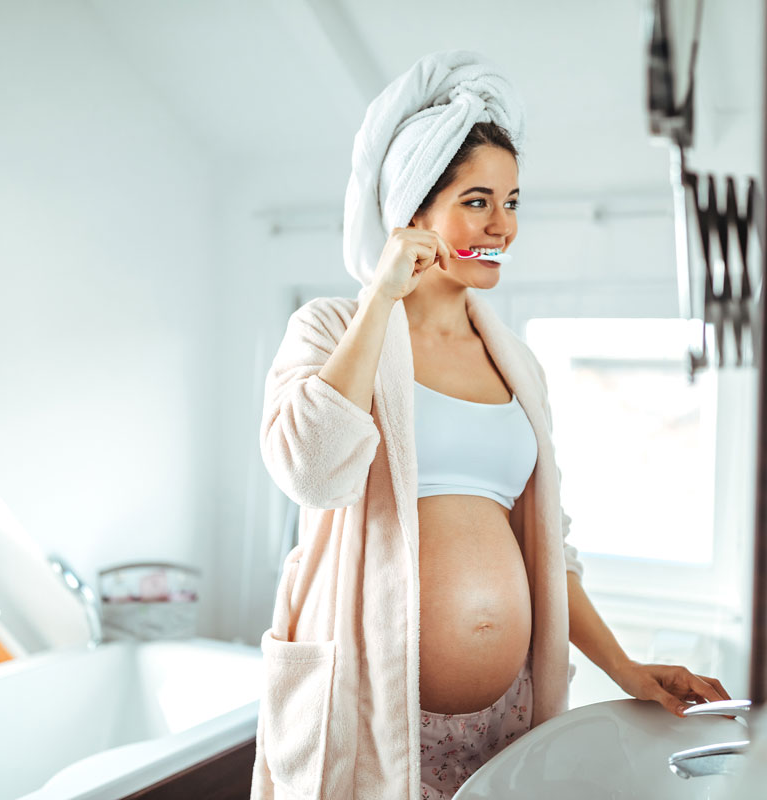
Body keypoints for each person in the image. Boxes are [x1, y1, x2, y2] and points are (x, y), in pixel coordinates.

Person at [251, 50, 730, 800]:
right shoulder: (331, 329)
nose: (501, 226)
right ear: (415, 212)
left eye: (512, 202)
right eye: (476, 201)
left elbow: (547, 550)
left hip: (503, 725)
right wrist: (379, 299)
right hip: (378, 709)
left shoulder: (517, 364)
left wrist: (627, 669)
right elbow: (310, 470)